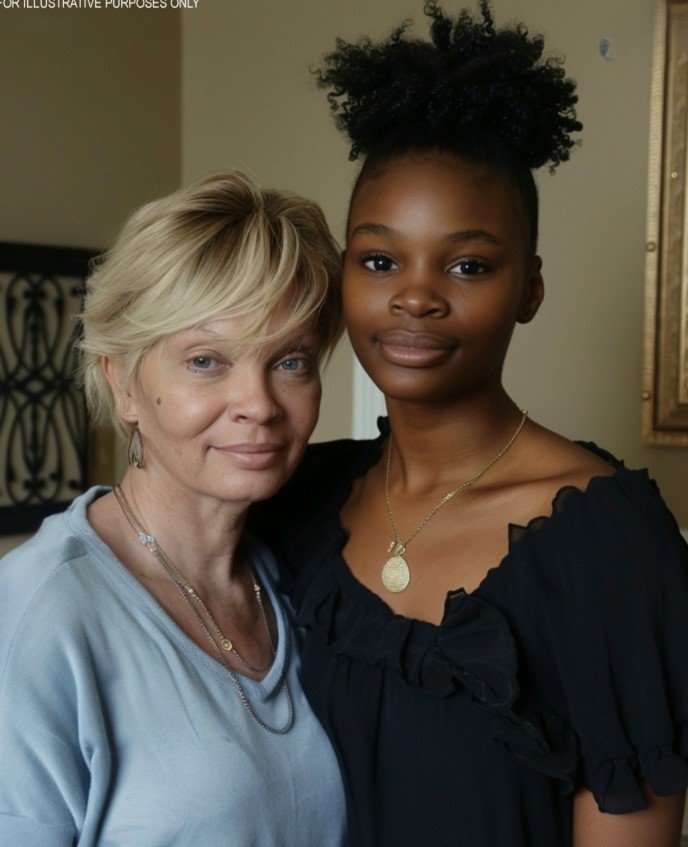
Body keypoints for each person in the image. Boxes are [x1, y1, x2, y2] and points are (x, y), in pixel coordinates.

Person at [253, 3, 688, 845]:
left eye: (467, 264)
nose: (415, 295)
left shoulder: (607, 543)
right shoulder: (298, 496)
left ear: (529, 288)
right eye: (380, 260)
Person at [0, 172, 348, 846]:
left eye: (291, 362)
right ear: (123, 384)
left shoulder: (309, 575)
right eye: (206, 360)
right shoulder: (39, 614)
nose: (259, 404)